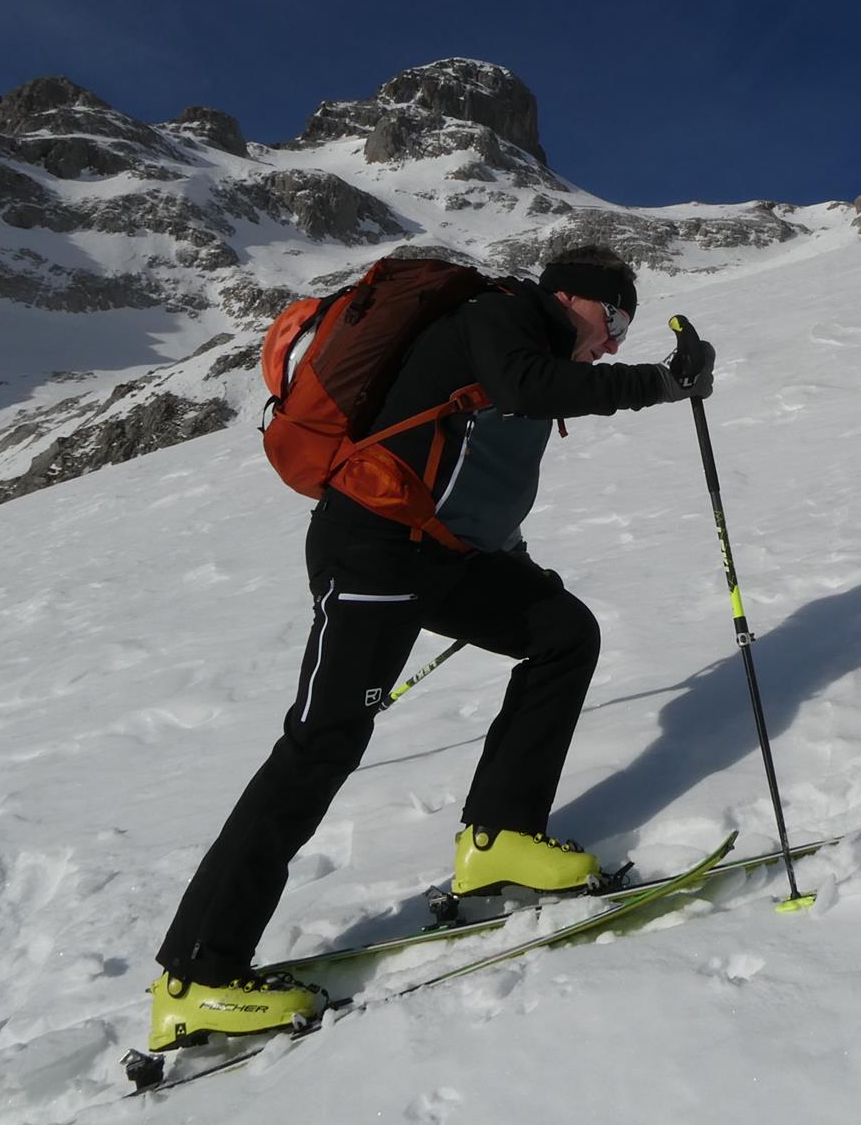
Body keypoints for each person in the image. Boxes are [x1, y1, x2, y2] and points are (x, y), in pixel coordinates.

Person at [148, 244, 714, 1050]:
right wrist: (660, 382)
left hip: (438, 556)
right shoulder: (500, 315)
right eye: (613, 317)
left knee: (561, 632)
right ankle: (197, 976)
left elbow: (468, 473)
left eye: (625, 328)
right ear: (570, 296)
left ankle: (500, 842)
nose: (614, 340)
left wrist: (516, 570)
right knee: (321, 744)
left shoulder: (525, 349)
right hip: (373, 549)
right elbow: (526, 387)